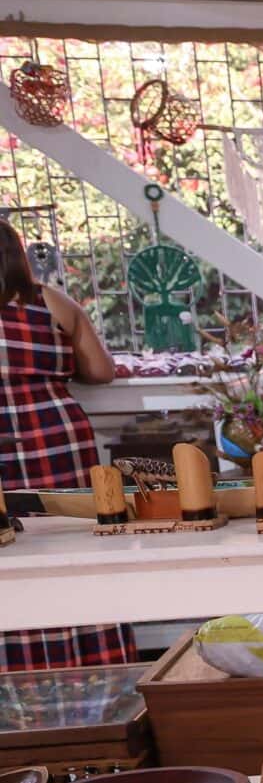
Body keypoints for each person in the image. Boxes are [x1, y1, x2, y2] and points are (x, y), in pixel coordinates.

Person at [0, 220, 134, 670]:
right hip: (55, 438)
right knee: (75, 547)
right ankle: (94, 664)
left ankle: (15, 675)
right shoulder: (53, 302)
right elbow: (100, 371)